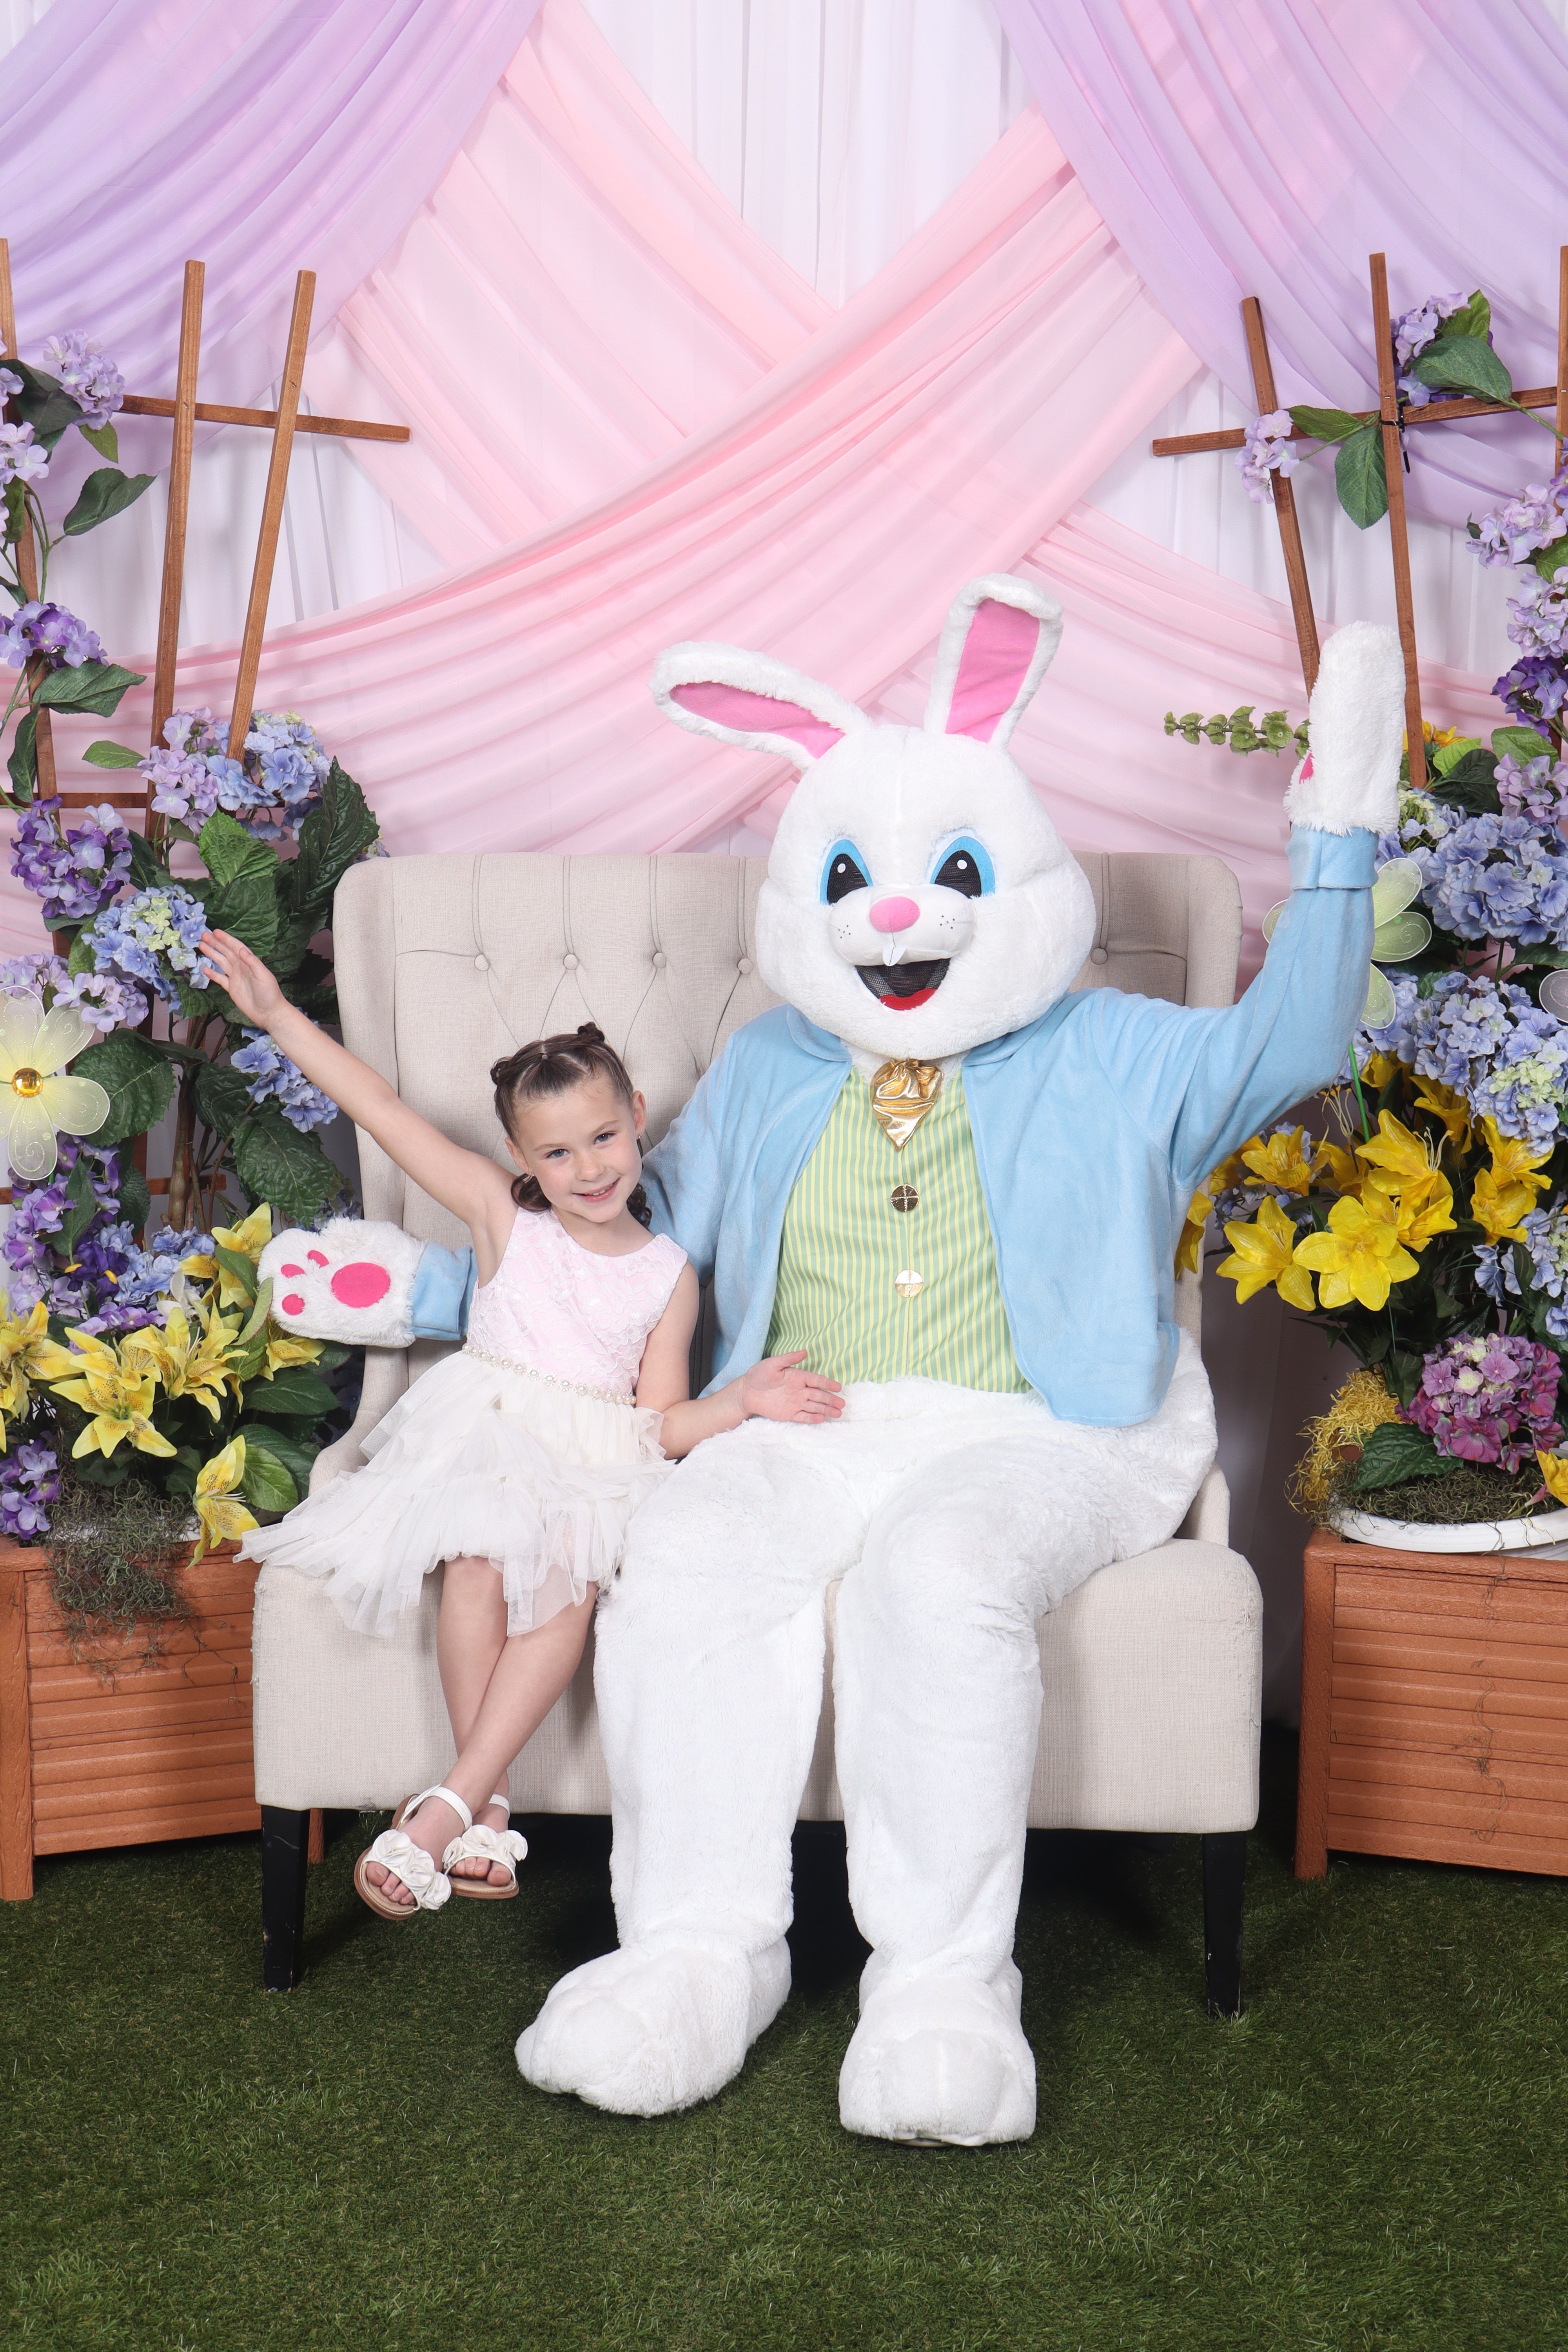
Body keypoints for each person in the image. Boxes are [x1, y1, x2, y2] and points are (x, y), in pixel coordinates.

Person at [203, 929, 844, 1921]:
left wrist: (740, 1403)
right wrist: (279, 1015)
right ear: (519, 1160)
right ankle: (484, 1804)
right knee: (476, 1564)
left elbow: (658, 1420)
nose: (587, 1169)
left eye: (603, 1138)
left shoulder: (667, 1275)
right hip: (486, 1434)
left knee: (562, 1594)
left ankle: (449, 1806)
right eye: (555, 1152)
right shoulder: (505, 1219)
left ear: (637, 1119)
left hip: (594, 1461)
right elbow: (381, 1110)